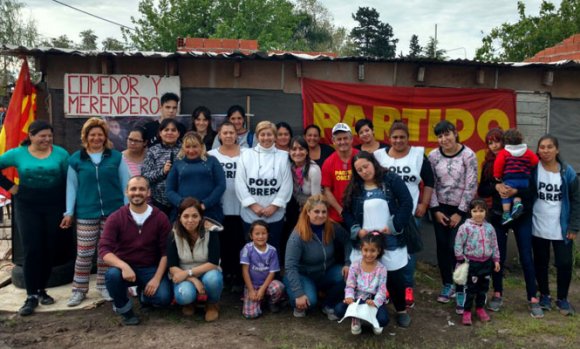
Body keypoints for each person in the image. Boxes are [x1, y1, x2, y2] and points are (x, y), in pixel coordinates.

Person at [0, 121, 69, 316]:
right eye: (42, 136)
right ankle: (30, 295)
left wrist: (68, 209)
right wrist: (10, 186)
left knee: (48, 248)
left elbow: (68, 180)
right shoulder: (18, 153)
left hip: (54, 204)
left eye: (49, 136)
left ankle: (41, 290)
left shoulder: (61, 154)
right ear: (31, 135)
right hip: (27, 205)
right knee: (32, 248)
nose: (46, 139)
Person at [62, 117, 130, 307]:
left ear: (105, 136)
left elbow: (126, 183)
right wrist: (69, 212)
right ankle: (79, 290)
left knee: (106, 252)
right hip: (86, 212)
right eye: (92, 134)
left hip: (113, 211)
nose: (96, 138)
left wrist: (127, 208)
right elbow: (71, 187)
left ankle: (103, 285)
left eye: (100, 134)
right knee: (84, 253)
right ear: (86, 136)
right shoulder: (76, 159)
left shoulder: (116, 157)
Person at [342, 151, 413, 327]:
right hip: (366, 242)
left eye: (366, 166)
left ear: (373, 163)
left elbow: (407, 202)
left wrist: (394, 225)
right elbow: (346, 212)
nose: (364, 171)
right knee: (362, 276)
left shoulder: (391, 179)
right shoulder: (355, 187)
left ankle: (401, 310)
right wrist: (356, 230)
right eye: (359, 170)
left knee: (395, 276)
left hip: (390, 238)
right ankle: (360, 310)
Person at [374, 120, 434, 308]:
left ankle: (407, 287)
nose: (398, 140)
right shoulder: (378, 156)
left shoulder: (417, 154)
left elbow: (430, 181)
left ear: (408, 138)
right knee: (383, 250)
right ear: (389, 138)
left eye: (402, 137)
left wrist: (424, 203)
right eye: (395, 137)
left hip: (409, 214)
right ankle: (385, 286)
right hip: (383, 213)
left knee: (407, 253)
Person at [99, 176, 172, 325]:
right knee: (112, 276)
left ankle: (144, 296)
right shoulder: (116, 217)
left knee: (164, 298)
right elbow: (104, 250)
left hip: (149, 268)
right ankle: (124, 309)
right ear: (126, 192)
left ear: (148, 192)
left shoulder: (160, 217)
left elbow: (166, 252)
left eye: (141, 189)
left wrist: (156, 279)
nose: (137, 192)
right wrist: (124, 266)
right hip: (124, 269)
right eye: (133, 189)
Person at [428, 120, 478, 314]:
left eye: (447, 134)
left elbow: (471, 184)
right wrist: (435, 210)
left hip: (461, 209)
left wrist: (460, 212)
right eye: (440, 136)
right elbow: (430, 184)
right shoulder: (432, 156)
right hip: (440, 209)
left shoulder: (468, 155)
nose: (444, 139)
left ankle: (460, 288)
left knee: (456, 248)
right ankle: (447, 284)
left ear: (455, 133)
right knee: (442, 247)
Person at [530, 134, 579, 316]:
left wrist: (574, 227)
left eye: (550, 147)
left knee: (564, 263)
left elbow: (576, 200)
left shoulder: (568, 172)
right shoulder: (533, 170)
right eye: (542, 147)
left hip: (562, 227)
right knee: (541, 263)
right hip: (538, 225)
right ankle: (544, 296)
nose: (546, 150)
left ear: (557, 149)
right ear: (538, 150)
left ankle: (563, 299)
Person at [283, 194, 352, 319]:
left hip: (325, 273)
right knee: (310, 302)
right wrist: (299, 294)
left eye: (324, 212)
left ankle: (327, 304)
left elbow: (347, 241)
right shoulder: (297, 235)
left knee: (350, 276)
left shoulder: (331, 226)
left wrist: (348, 263)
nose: (321, 215)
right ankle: (296, 296)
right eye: (316, 211)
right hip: (303, 275)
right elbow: (290, 266)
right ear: (308, 212)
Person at [235, 121, 292, 253]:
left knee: (273, 249)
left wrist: (274, 206)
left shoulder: (283, 157)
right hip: (250, 214)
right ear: (257, 136)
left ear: (275, 136)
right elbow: (240, 183)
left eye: (269, 134)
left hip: (274, 214)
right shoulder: (246, 154)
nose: (266, 138)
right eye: (262, 134)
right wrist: (253, 205)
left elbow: (286, 184)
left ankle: (274, 274)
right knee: (251, 251)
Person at [167, 197, 224, 321]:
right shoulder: (173, 234)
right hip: (183, 274)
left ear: (201, 217)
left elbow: (213, 263)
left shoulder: (211, 231)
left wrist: (189, 272)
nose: (190, 220)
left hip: (207, 271)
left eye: (194, 216)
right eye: (186, 216)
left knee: (213, 278)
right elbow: (172, 267)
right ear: (179, 217)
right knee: (185, 295)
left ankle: (212, 305)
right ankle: (189, 302)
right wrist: (193, 279)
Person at [208, 122, 246, 289]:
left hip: (242, 207)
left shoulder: (247, 153)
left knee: (240, 243)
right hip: (220, 208)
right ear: (219, 135)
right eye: (225, 133)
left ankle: (239, 277)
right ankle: (224, 275)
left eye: (232, 132)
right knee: (223, 244)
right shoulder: (210, 155)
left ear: (237, 134)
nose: (229, 135)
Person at [454, 199, 501, 325]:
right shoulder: (465, 228)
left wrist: (496, 260)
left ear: (486, 212)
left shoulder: (490, 228)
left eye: (481, 211)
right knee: (470, 289)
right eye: (475, 211)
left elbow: (494, 244)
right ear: (470, 212)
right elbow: (458, 244)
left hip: (486, 263)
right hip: (471, 264)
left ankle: (480, 308)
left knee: (483, 288)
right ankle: (467, 311)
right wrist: (460, 259)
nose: (478, 214)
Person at [334, 233, 389, 335]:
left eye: (372, 251)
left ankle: (372, 318)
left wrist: (375, 302)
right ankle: (356, 318)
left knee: (383, 320)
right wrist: (349, 297)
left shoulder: (382, 269)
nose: (368, 254)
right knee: (338, 310)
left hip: (372, 299)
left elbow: (382, 289)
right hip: (357, 298)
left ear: (378, 251)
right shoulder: (355, 265)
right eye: (366, 250)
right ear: (361, 249)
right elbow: (350, 285)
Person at [166, 131, 226, 222]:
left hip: (209, 211)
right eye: (188, 147)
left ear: (201, 146)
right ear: (183, 148)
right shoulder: (178, 163)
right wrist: (182, 204)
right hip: (183, 212)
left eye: (195, 146)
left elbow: (221, 185)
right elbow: (169, 190)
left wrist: (205, 204)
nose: (191, 150)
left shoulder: (212, 161)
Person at [240, 220, 285, 319]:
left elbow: (272, 272)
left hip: (266, 285)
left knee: (278, 286)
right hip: (252, 286)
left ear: (268, 235)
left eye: (263, 233)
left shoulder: (272, 250)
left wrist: (262, 290)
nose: (260, 236)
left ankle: (271, 302)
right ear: (251, 236)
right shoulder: (247, 249)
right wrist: (251, 290)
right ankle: (257, 301)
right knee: (251, 315)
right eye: (257, 234)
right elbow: (245, 271)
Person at [493, 128, 539, 225]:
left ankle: (506, 214)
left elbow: (498, 164)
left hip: (511, 179)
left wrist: (497, 175)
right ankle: (517, 204)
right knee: (517, 193)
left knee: (505, 194)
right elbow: (535, 161)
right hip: (524, 181)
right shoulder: (527, 151)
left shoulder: (504, 152)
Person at [142, 118, 182, 217]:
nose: (170, 132)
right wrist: (162, 171)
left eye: (173, 130)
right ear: (160, 133)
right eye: (166, 130)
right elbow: (145, 177)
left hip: (181, 201)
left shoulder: (185, 150)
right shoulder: (153, 151)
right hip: (158, 202)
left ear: (178, 133)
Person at [321, 122, 359, 225]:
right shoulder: (328, 162)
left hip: (360, 214)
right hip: (337, 217)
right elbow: (327, 191)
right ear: (333, 141)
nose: (342, 142)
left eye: (345, 138)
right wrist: (341, 211)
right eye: (339, 139)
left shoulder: (361, 157)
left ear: (351, 139)